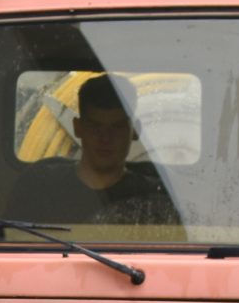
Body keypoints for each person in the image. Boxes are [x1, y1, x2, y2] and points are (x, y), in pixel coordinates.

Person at [14, 75, 175, 228]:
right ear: (78, 127)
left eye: (117, 127)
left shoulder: (157, 197)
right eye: (95, 126)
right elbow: (12, 239)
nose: (105, 138)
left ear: (135, 130)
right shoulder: (39, 189)